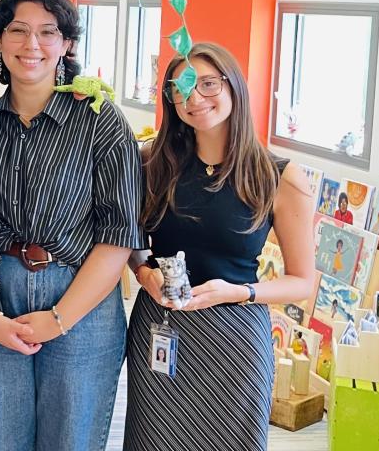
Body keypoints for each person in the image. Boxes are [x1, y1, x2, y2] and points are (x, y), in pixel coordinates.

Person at [0, 0, 145, 451]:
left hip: (80, 303)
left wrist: (59, 318)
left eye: (48, 32)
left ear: (66, 44)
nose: (32, 45)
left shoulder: (99, 120)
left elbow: (119, 234)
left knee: (71, 441)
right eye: (18, 31)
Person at [124, 42, 315, 451]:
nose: (194, 99)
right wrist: (144, 273)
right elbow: (128, 241)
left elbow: (302, 282)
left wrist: (239, 292)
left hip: (235, 338)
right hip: (161, 327)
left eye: (207, 84)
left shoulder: (278, 176)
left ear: (234, 88)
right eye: (181, 88)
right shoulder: (149, 162)